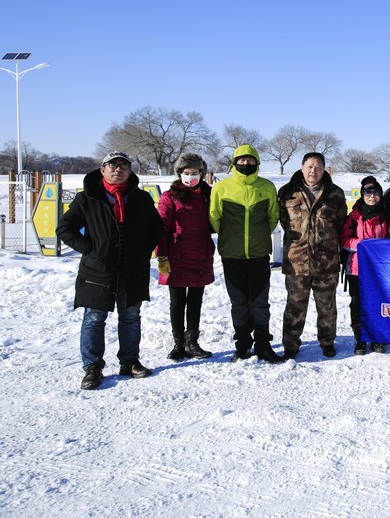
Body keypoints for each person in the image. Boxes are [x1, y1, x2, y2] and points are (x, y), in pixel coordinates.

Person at [57, 151, 162, 390]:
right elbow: (65, 229)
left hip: (132, 269)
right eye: (112, 166)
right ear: (102, 170)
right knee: (94, 319)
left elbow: (156, 228)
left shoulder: (141, 198)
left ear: (130, 171)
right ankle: (93, 367)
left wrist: (143, 250)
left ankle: (129, 361)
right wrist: (90, 250)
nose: (118, 170)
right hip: (98, 270)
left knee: (131, 317)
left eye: (124, 166)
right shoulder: (88, 198)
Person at [209, 145, 283, 363]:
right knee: (239, 304)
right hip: (232, 255)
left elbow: (273, 218)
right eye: (241, 160)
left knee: (260, 303)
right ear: (234, 162)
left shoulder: (267, 186)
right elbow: (214, 217)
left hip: (259, 255)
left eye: (251, 161)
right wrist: (232, 238)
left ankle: (263, 344)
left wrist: (257, 236)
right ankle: (242, 345)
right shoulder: (222, 188)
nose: (246, 164)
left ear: (257, 163)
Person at [278, 151, 347, 359]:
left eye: (318, 167)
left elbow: (341, 223)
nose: (313, 171)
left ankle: (327, 341)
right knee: (295, 306)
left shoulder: (335, 193)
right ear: (301, 168)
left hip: (327, 261)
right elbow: (283, 222)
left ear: (324, 169)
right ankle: (291, 344)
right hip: (296, 260)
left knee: (327, 306)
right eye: (309, 166)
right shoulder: (287, 192)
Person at [156, 153, 215, 361]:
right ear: (180, 173)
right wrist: (161, 255)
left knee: (196, 301)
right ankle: (178, 344)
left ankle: (192, 342)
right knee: (177, 302)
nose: (191, 176)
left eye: (195, 173)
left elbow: (215, 220)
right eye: (187, 173)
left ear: (201, 174)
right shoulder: (169, 196)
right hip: (176, 256)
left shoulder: (209, 195)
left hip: (200, 255)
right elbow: (160, 227)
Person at [341, 176, 390, 355]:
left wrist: (381, 248)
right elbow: (344, 239)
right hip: (357, 268)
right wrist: (362, 245)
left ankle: (377, 337)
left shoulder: (387, 215)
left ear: (380, 194)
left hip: (379, 269)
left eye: (375, 192)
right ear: (362, 194)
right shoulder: (354, 217)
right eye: (368, 192)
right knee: (357, 303)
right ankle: (360, 338)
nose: (372, 195)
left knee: (377, 303)